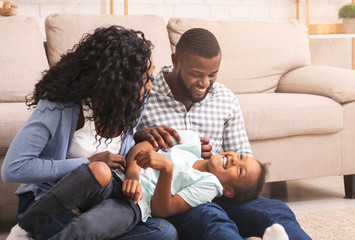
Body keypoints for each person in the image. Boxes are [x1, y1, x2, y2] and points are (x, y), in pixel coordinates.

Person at [1, 25, 177, 240]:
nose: (149, 87)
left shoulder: (130, 103)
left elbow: (121, 153)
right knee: (84, 230)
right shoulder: (59, 106)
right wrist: (86, 162)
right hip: (52, 202)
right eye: (143, 80)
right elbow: (14, 168)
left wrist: (139, 136)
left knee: (164, 232)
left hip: (103, 200)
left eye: (150, 78)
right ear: (117, 81)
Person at [134, 28, 311, 240]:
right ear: (176, 61)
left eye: (213, 74)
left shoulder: (225, 98)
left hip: (222, 189)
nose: (205, 83)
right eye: (197, 75)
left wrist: (222, 169)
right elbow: (117, 146)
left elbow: (244, 159)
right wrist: (141, 135)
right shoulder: (145, 92)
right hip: (175, 196)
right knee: (211, 216)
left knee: (276, 210)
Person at [8, 129, 268, 240]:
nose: (234, 160)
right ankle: (25, 227)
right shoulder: (190, 142)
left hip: (134, 205)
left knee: (89, 226)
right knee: (98, 168)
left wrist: (166, 170)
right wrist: (132, 172)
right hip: (119, 179)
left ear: (229, 190)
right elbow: (144, 144)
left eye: (239, 170)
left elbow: (163, 210)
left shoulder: (208, 184)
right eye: (240, 157)